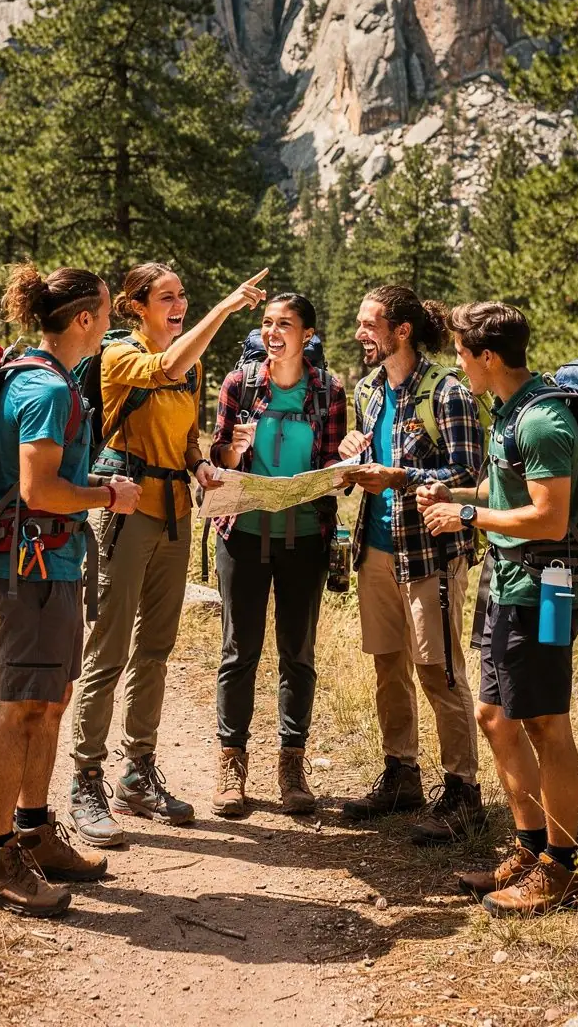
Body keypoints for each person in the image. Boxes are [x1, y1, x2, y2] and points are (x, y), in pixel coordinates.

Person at [0, 263, 142, 918]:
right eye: (106, 311)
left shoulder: (40, 378)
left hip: (50, 564)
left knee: (50, 700)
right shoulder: (47, 390)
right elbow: (40, 490)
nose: (111, 323)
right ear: (85, 320)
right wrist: (108, 495)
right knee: (20, 705)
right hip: (32, 567)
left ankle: (33, 830)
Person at [69, 263, 268, 844]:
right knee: (108, 646)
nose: (178, 303)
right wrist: (225, 309)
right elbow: (167, 366)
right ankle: (86, 778)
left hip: (175, 512)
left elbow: (184, 437)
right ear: (136, 306)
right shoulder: (121, 357)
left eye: (183, 295)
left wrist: (200, 463)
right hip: (125, 513)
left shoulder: (194, 363)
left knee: (155, 647)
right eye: (166, 297)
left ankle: (137, 771)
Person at [420, 301, 578, 916]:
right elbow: (502, 487)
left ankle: (560, 869)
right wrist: (458, 492)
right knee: (495, 716)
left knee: (546, 723)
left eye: (463, 354)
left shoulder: (544, 420)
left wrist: (465, 515)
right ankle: (529, 846)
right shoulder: (511, 412)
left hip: (547, 586)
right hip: (507, 578)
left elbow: (550, 515)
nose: (459, 365)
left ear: (487, 357)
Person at [338, 286, 484, 842]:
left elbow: (471, 480)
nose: (360, 334)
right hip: (374, 548)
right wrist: (355, 456)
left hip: (430, 553)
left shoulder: (448, 393)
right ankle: (401, 775)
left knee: (438, 670)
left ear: (401, 330)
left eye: (369, 324)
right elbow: (372, 463)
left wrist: (400, 477)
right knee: (388, 665)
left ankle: (463, 792)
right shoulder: (369, 391)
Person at [208, 293, 347, 817]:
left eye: (284, 324)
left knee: (298, 653)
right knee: (238, 651)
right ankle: (231, 764)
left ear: (307, 334)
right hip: (241, 533)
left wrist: (349, 458)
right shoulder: (239, 385)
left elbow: (333, 463)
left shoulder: (329, 391)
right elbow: (216, 459)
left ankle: (292, 764)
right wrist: (231, 452)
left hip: (305, 536)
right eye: (267, 323)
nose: (273, 332)